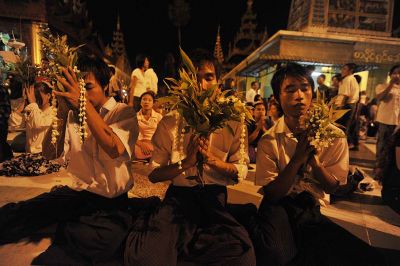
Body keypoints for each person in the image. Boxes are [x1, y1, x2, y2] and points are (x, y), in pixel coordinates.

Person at [0, 55, 140, 263]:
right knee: (18, 214)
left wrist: (82, 102)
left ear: (105, 85)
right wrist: (62, 114)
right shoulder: (74, 115)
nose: (81, 93)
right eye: (75, 87)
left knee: (71, 252)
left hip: (111, 206)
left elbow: (114, 147)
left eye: (87, 87)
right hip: (78, 194)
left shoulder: (122, 113)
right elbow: (49, 153)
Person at [124, 49, 256, 265]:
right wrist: (186, 163)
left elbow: (240, 169)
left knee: (241, 256)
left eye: (208, 77)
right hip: (179, 199)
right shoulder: (170, 122)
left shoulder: (233, 121)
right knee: (146, 257)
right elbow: (154, 175)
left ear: (219, 82)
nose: (201, 85)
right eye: (193, 78)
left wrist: (213, 161)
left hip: (214, 199)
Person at [251, 63, 382, 265]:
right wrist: (297, 160)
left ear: (312, 92)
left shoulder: (334, 136)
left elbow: (333, 187)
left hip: (311, 206)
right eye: (290, 89)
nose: (299, 95)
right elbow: (272, 194)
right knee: (277, 254)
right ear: (277, 98)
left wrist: (314, 161)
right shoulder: (269, 140)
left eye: (304, 88)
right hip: (279, 204)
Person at [11, 81, 54, 153]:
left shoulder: (54, 113)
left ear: (48, 95)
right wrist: (22, 104)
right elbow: (15, 124)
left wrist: (33, 104)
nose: (34, 98)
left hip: (44, 154)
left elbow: (38, 124)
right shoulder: (32, 109)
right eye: (33, 96)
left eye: (37, 95)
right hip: (29, 153)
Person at [374, 64, 400, 181]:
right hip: (385, 121)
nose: (397, 75)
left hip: (397, 122)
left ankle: (388, 173)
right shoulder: (382, 86)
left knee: (393, 148)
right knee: (382, 147)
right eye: (395, 73)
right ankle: (378, 172)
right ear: (390, 75)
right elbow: (380, 98)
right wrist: (391, 85)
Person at [335, 63, 360, 148]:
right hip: (351, 105)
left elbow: (345, 95)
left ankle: (340, 146)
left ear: (350, 71)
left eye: (344, 69)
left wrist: (340, 108)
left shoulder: (347, 79)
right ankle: (344, 145)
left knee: (342, 127)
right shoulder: (352, 79)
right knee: (346, 126)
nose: (342, 70)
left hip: (346, 105)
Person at [134, 91, 163, 160]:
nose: (146, 102)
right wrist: (142, 145)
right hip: (140, 144)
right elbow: (131, 135)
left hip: (155, 144)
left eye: (150, 100)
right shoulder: (134, 117)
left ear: (153, 103)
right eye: (144, 99)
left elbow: (163, 134)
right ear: (140, 102)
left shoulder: (158, 117)